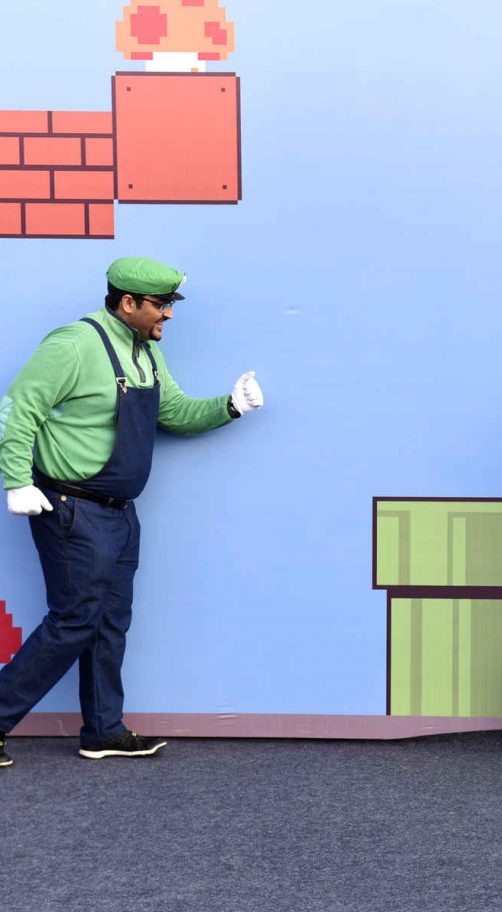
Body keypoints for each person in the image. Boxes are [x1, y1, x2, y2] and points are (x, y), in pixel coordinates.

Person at [0, 257, 264, 767]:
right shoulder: (74, 345)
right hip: (72, 509)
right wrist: (17, 481)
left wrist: (230, 406)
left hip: (120, 515)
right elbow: (17, 410)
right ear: (128, 302)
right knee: (74, 621)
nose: (169, 314)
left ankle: (103, 731)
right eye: (161, 305)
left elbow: (174, 412)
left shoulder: (146, 352)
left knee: (109, 623)